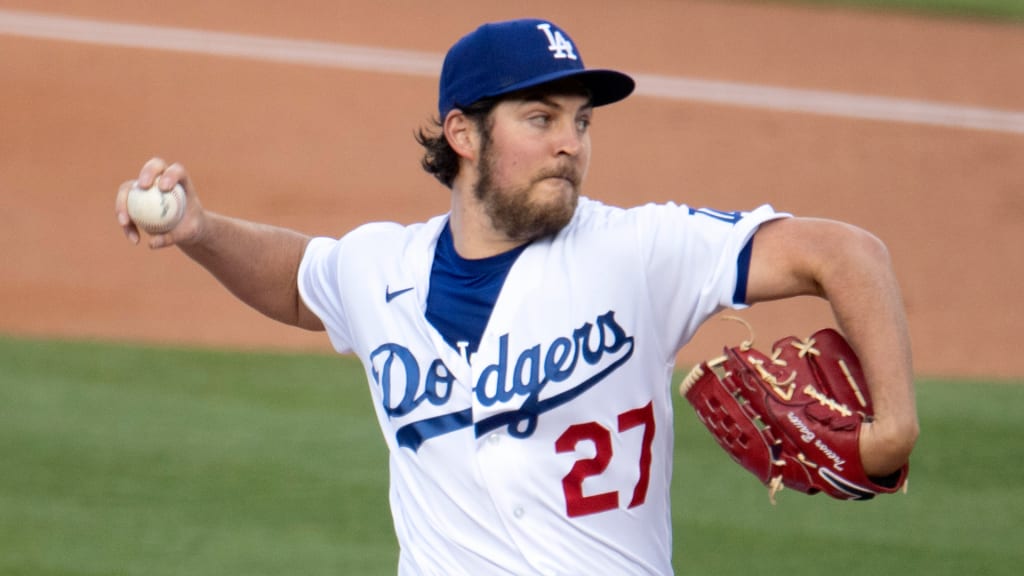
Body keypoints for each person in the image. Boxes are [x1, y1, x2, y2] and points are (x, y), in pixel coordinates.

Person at [116, 18, 918, 576]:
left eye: (582, 121)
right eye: (541, 118)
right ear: (464, 134)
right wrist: (199, 228)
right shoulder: (380, 269)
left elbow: (844, 253)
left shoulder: (639, 251)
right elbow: (299, 282)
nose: (571, 142)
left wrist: (894, 428)